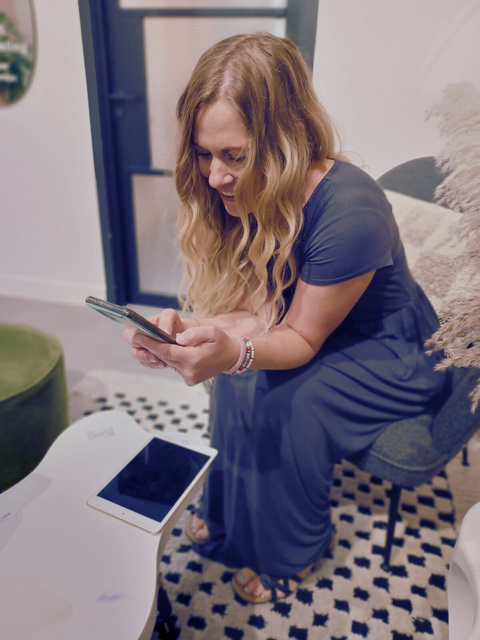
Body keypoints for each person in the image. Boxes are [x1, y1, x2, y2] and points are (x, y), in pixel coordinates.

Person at [124, 32, 449, 604]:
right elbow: (259, 309)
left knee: (280, 396)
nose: (215, 176)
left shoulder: (351, 213)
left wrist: (237, 352)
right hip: (322, 327)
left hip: (390, 353)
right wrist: (192, 334)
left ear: (288, 136)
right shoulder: (254, 193)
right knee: (235, 380)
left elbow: (298, 335)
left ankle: (290, 553)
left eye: (235, 155)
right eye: (203, 153)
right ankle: (225, 515)